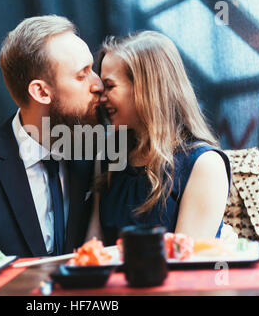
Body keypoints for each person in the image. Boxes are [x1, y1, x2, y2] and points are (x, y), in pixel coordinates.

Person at [0, 15, 104, 257]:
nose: (98, 84)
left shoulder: (99, 157)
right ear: (41, 91)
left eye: (92, 69)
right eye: (82, 74)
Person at [97, 31, 231, 246]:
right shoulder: (111, 156)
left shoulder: (204, 164)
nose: (101, 98)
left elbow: (185, 261)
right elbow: (93, 246)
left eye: (110, 86)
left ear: (147, 88)